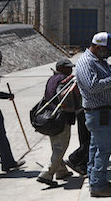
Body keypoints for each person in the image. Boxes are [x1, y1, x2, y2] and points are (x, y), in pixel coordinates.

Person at [75, 32, 111, 197]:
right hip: (99, 113)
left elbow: (107, 76)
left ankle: (97, 180)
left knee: (96, 148)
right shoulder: (86, 62)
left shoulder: (99, 61)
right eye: (108, 50)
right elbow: (93, 86)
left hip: (103, 113)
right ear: (98, 47)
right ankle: (98, 186)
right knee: (104, 150)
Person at [37, 58, 80, 187]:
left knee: (56, 145)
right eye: (68, 67)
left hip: (49, 117)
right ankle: (46, 173)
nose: (71, 69)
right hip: (60, 117)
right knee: (60, 147)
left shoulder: (52, 79)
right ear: (60, 68)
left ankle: (61, 171)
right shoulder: (64, 80)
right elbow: (65, 98)